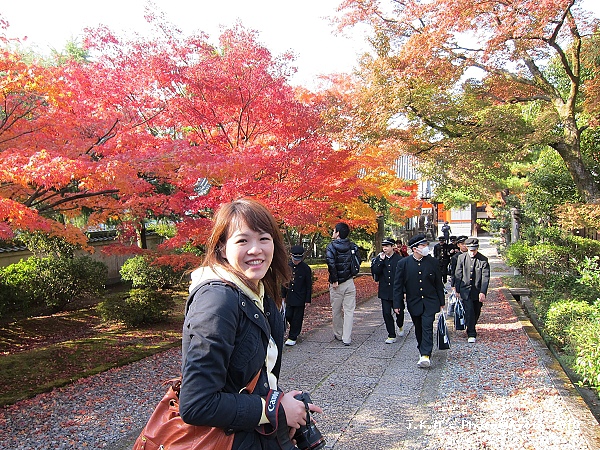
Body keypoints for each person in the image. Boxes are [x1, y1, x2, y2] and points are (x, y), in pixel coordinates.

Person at [181, 199, 323, 448]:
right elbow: (196, 404)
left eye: (264, 238)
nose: (256, 249)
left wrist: (281, 404)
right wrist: (274, 409)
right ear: (222, 248)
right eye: (242, 240)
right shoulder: (217, 302)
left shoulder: (257, 292)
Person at [393, 234, 445, 368]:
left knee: (427, 325)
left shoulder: (432, 262)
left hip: (430, 300)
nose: (426, 248)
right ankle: (422, 349)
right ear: (415, 249)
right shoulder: (403, 264)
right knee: (419, 328)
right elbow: (398, 285)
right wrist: (397, 303)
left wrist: (441, 301)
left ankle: (425, 354)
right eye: (423, 246)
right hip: (414, 301)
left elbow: (438, 283)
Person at [326, 222, 361, 346]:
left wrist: (335, 280)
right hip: (349, 281)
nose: (333, 233)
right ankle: (347, 338)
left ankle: (339, 334)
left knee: (336, 310)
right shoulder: (352, 246)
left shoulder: (331, 247)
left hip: (337, 284)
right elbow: (358, 261)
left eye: (334, 231)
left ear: (338, 233)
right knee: (349, 311)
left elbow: (331, 264)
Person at [454, 237, 490, 344]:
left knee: (476, 311)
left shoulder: (483, 260)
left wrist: (483, 292)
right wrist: (457, 289)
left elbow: (485, 277)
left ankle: (471, 325)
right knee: (469, 310)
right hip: (465, 290)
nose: (473, 253)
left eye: (474, 250)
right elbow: (458, 274)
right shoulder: (461, 258)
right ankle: (471, 333)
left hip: (477, 290)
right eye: (471, 250)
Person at [371, 237, 405, 344]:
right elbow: (375, 271)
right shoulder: (380, 258)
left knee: (399, 312)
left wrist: (404, 291)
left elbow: (404, 277)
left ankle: (400, 324)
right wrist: (380, 260)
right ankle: (391, 334)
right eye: (383, 246)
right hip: (385, 290)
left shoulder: (399, 259)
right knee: (386, 313)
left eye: (387, 246)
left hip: (397, 290)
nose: (384, 248)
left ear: (392, 247)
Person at [282, 245, 313, 346]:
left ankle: (293, 336)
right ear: (291, 255)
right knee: (288, 315)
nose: (296, 261)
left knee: (297, 317)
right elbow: (284, 282)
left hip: (300, 297)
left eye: (298, 258)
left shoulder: (305, 268)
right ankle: (294, 329)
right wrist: (283, 295)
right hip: (290, 296)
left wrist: (308, 299)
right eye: (295, 258)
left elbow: (308, 284)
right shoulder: (287, 267)